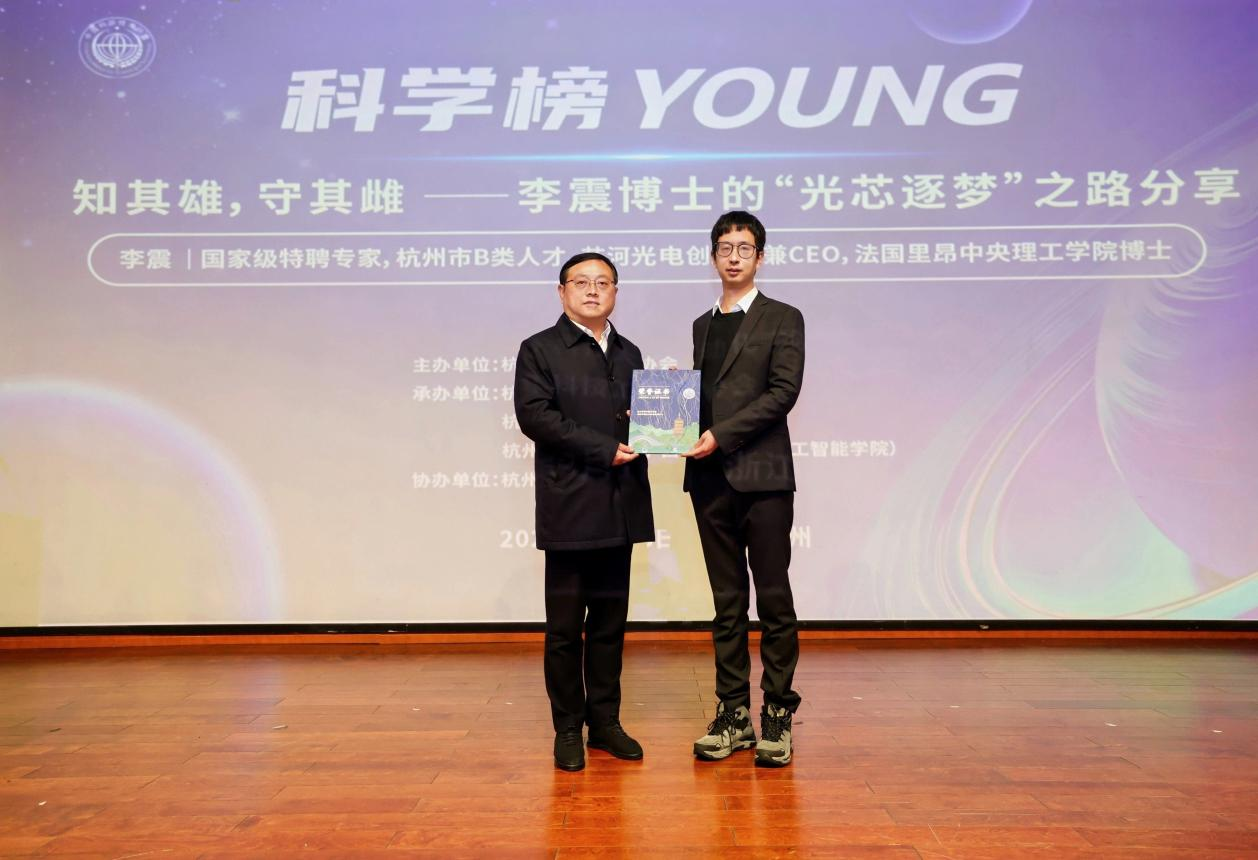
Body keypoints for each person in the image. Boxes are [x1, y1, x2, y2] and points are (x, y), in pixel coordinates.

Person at [514, 252, 655, 772]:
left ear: (616, 291)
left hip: (621, 505)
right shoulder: (540, 349)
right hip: (570, 506)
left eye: (603, 282)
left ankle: (606, 723)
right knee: (564, 629)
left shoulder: (629, 351)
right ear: (562, 291)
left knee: (610, 626)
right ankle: (568, 728)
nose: (592, 290)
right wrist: (602, 448)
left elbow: (642, 422)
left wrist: (668, 407)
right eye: (581, 282)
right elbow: (535, 416)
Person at [682, 211, 805, 768]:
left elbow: (783, 392)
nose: (734, 257)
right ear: (713, 256)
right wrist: (666, 420)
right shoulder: (702, 325)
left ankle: (777, 710)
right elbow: (705, 399)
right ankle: (733, 713)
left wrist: (721, 435)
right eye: (725, 248)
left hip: (763, 477)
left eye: (744, 248)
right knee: (726, 602)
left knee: (774, 598)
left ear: (760, 257)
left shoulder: (784, 317)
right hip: (710, 480)